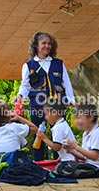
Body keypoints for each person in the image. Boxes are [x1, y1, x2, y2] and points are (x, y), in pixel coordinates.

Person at [14, 32, 75, 161]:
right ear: (36, 45)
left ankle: (62, 161)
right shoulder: (28, 66)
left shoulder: (58, 64)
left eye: (49, 43)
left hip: (57, 107)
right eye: (44, 43)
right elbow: (25, 85)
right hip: (37, 106)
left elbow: (66, 84)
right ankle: (39, 163)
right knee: (38, 135)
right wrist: (20, 95)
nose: (47, 46)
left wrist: (71, 100)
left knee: (60, 135)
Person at [0, 100, 38, 172]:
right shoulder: (14, 128)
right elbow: (35, 129)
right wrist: (18, 117)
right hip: (13, 171)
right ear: (7, 115)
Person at [63, 104, 99, 169]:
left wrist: (75, 146)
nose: (76, 121)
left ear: (91, 117)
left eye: (79, 117)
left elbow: (94, 156)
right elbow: (85, 157)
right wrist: (72, 151)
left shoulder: (98, 133)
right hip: (91, 168)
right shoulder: (85, 134)